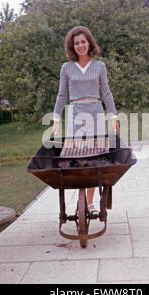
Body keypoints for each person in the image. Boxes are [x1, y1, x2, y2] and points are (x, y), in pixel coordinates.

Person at [52, 26, 119, 215]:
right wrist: (56, 118)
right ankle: (82, 200)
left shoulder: (99, 66)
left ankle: (89, 203)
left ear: (89, 43)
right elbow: (61, 94)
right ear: (72, 47)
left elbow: (106, 92)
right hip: (75, 114)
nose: (80, 45)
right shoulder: (66, 68)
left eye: (83, 42)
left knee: (94, 158)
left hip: (96, 112)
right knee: (79, 157)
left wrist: (113, 116)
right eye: (76, 43)